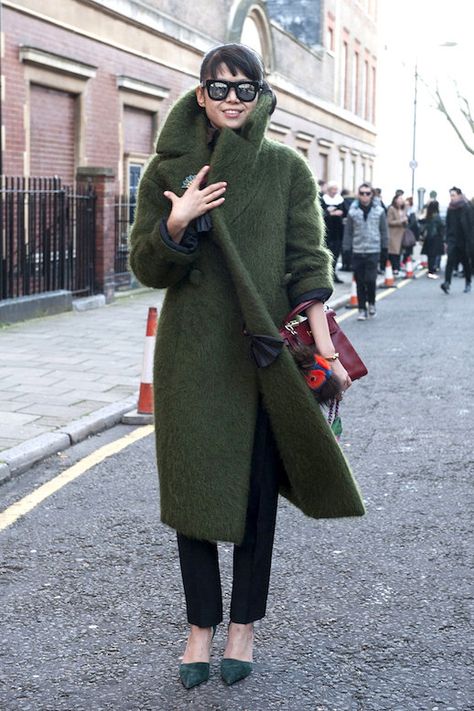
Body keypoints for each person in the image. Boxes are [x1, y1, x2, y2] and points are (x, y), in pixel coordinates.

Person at [129, 43, 364, 690]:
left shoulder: (286, 169)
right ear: (201, 94)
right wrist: (176, 223)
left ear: (260, 96)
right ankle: (200, 626)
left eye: (245, 88)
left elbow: (308, 265)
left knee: (258, 497)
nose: (232, 99)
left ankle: (243, 626)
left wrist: (322, 350)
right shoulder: (166, 171)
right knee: (191, 494)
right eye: (220, 87)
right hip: (190, 358)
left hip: (261, 357)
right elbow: (146, 268)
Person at [343, 182, 387, 320]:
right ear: (358, 194)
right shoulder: (352, 211)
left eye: (367, 193)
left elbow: (384, 231)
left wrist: (385, 248)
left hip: (373, 250)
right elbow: (348, 232)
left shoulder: (379, 211)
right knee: (360, 281)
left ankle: (372, 303)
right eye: (362, 193)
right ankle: (362, 309)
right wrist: (346, 249)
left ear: (372, 194)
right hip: (357, 250)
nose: (364, 196)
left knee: (370, 279)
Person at [441, 187, 473, 294]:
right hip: (452, 239)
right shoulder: (450, 208)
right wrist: (446, 239)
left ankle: (468, 282)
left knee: (465, 262)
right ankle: (447, 283)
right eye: (450, 195)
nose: (452, 198)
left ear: (459, 195)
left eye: (453, 195)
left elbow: (470, 225)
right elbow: (447, 224)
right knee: (450, 261)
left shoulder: (467, 207)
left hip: (464, 239)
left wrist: (470, 241)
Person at [321, 181, 347, 283]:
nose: (335, 192)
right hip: (327, 231)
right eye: (333, 189)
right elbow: (320, 213)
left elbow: (345, 213)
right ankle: (325, 274)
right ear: (328, 190)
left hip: (339, 231)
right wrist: (329, 213)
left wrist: (340, 213)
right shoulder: (323, 199)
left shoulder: (340, 200)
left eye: (336, 189)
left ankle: (333, 273)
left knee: (336, 253)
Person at [419, 200, 444, 278]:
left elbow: (421, 222)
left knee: (430, 255)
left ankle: (430, 270)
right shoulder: (437, 216)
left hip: (429, 237)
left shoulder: (428, 215)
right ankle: (431, 271)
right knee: (433, 255)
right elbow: (442, 226)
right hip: (436, 237)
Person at [387, 193, 408, 274]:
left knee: (400, 252)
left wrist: (406, 220)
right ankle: (395, 269)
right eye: (399, 198)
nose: (401, 200)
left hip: (401, 233)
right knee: (394, 252)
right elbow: (389, 221)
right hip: (394, 234)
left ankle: (398, 268)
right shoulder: (391, 209)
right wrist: (401, 221)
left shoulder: (403, 209)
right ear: (395, 200)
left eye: (402, 199)